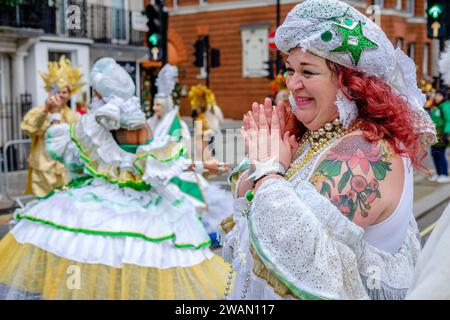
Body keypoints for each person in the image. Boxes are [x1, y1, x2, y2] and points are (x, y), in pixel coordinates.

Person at [221, 0, 437, 300]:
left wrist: (269, 171)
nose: (292, 83)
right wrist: (262, 164)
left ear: (351, 84)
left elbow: (305, 261)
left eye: (308, 72)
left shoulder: (366, 150)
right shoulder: (318, 134)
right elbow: (252, 208)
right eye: (290, 69)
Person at [0, 58, 230, 300]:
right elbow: (157, 163)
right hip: (144, 206)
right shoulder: (135, 126)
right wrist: (204, 164)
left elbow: (73, 160)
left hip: (95, 199)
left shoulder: (87, 126)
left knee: (89, 258)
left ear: (99, 93)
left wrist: (56, 117)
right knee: (139, 261)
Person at [148, 64, 233, 246]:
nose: (155, 108)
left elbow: (183, 151)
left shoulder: (179, 126)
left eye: (158, 105)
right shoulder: (151, 124)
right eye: (154, 104)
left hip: (178, 169)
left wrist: (205, 161)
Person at [22, 56, 82, 197]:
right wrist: (46, 111)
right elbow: (29, 129)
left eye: (64, 91)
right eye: (57, 90)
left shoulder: (74, 116)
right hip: (43, 167)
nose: (60, 95)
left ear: (70, 94)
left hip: (66, 168)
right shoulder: (38, 111)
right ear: (50, 91)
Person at [428, 89, 450, 183]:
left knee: (440, 154)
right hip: (434, 134)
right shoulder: (435, 107)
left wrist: (446, 133)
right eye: (436, 95)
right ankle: (438, 173)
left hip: (442, 134)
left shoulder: (445, 106)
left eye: (439, 95)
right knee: (434, 154)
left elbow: (448, 120)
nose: (437, 97)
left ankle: (444, 174)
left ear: (443, 97)